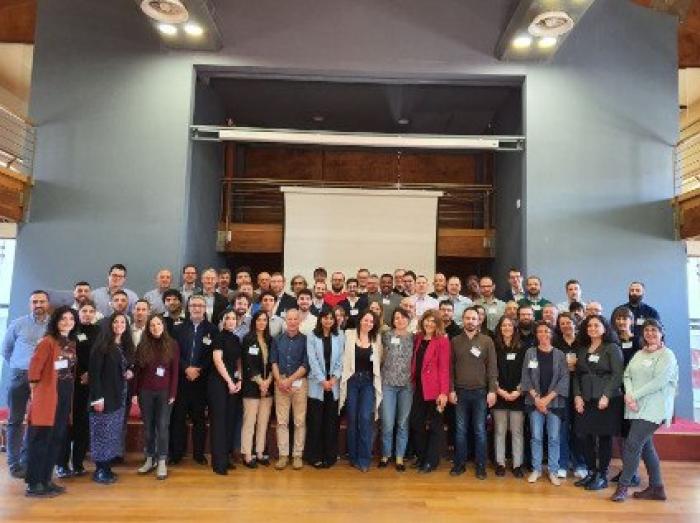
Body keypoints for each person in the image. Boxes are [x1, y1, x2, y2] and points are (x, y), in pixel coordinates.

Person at [611, 319, 678, 503]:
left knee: (632, 444)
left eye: (654, 330)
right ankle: (657, 489)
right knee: (646, 448)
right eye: (647, 330)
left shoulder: (667, 355)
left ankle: (623, 487)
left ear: (661, 332)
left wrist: (634, 395)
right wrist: (630, 394)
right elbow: (627, 374)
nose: (650, 333)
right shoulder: (640, 354)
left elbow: (660, 381)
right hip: (635, 407)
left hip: (654, 409)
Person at [24, 306, 77, 498]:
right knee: (40, 441)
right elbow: (33, 372)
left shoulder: (70, 343)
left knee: (55, 440)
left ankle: (46, 479)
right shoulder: (47, 341)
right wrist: (35, 395)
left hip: (63, 397)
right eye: (63, 318)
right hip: (47, 396)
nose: (68, 321)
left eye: (71, 318)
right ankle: (33, 483)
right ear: (56, 320)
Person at [573, 315, 624, 491]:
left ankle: (602, 475)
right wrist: (577, 396)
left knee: (603, 437)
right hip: (586, 398)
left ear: (604, 328)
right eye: (589, 325)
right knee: (585, 436)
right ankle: (591, 472)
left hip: (606, 399)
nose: (592, 328)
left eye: (597, 325)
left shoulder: (612, 348)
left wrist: (606, 395)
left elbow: (617, 375)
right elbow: (576, 375)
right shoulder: (582, 349)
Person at [3, 290, 50, 479]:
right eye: (34, 301)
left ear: (48, 303)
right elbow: (6, 350)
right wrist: (19, 365)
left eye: (42, 301)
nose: (38, 304)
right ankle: (13, 464)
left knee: (37, 420)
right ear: (30, 304)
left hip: (43, 379)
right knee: (15, 420)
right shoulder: (18, 324)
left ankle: (27, 459)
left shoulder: (54, 326)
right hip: (19, 376)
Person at [449, 307, 497, 479]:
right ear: (463, 320)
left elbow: (492, 368)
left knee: (479, 430)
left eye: (474, 318)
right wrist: (451, 389)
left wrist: (492, 391)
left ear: (479, 321)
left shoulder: (487, 341)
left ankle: (481, 466)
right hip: (460, 392)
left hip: (480, 393)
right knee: (460, 430)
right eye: (467, 318)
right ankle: (459, 464)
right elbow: (450, 368)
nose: (470, 321)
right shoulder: (454, 341)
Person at [521, 321, 569, 486]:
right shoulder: (530, 353)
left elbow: (564, 379)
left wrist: (547, 400)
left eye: (546, 331)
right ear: (536, 334)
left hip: (554, 404)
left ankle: (553, 471)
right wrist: (537, 399)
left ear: (551, 333)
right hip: (534, 402)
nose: (543, 334)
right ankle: (536, 469)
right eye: (540, 331)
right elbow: (526, 378)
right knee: (536, 437)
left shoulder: (560, 355)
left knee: (554, 437)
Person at [169, 295, 216, 465]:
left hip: (201, 382)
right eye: (194, 305)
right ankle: (176, 454)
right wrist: (185, 368)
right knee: (178, 418)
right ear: (188, 308)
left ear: (205, 309)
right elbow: (174, 353)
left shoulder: (212, 329)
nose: (197, 308)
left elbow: (213, 356)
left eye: (200, 305)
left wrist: (199, 369)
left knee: (199, 420)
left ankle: (198, 454)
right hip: (181, 381)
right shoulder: (178, 329)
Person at [89, 312, 135, 484]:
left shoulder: (126, 345)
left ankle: (107, 467)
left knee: (112, 433)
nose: (119, 324)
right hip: (104, 397)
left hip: (120, 396)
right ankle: (100, 470)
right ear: (110, 324)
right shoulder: (102, 345)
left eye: (123, 322)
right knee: (101, 433)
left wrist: (131, 370)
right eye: (116, 321)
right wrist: (97, 399)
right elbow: (94, 375)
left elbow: (129, 365)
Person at [56, 301, 99, 478]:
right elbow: (67, 358)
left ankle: (78, 463)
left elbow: (100, 356)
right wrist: (80, 372)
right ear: (78, 313)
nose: (87, 314)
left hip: (89, 384)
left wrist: (91, 374)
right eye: (84, 311)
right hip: (70, 384)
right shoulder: (72, 332)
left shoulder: (99, 331)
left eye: (91, 311)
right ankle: (61, 464)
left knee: (82, 424)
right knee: (65, 424)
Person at [134, 315, 179, 480]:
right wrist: (135, 393)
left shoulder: (172, 345)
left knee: (162, 427)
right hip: (145, 392)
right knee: (148, 428)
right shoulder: (142, 345)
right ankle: (149, 458)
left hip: (165, 393)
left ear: (163, 326)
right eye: (152, 325)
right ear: (148, 328)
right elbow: (138, 372)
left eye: (158, 324)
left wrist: (173, 393)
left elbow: (175, 373)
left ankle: (161, 461)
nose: (155, 327)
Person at [339, 310, 383, 472]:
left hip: (367, 383)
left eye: (372, 322)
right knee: (352, 419)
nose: (368, 324)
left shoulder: (376, 339)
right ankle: (353, 456)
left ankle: (364, 459)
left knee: (365, 418)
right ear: (360, 321)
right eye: (366, 320)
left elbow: (380, 361)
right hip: (352, 381)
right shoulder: (349, 335)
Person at [410, 310, 450, 474]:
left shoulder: (442, 341)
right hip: (418, 388)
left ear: (438, 324)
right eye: (427, 320)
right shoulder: (418, 338)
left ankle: (431, 461)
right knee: (416, 423)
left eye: (433, 321)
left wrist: (443, 393)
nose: (429, 324)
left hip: (434, 390)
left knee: (435, 426)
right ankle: (421, 456)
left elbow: (444, 368)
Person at [305, 308, 344, 468]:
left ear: (335, 321)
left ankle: (330, 456)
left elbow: (341, 358)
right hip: (317, 385)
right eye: (325, 318)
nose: (328, 321)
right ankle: (314, 456)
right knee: (316, 422)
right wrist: (323, 380)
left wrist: (334, 378)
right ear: (320, 319)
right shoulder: (312, 336)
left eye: (331, 318)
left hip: (333, 386)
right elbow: (312, 359)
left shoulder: (339, 336)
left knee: (330, 422)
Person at [271, 308, 309, 470]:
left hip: (299, 384)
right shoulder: (277, 339)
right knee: (282, 421)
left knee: (299, 422)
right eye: (289, 319)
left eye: (295, 319)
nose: (292, 322)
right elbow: (273, 362)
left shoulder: (307, 340)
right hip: (280, 384)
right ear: (285, 321)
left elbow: (305, 365)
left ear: (299, 321)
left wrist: (290, 380)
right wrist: (280, 380)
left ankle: (297, 455)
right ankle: (283, 455)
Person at [379, 307, 414, 471]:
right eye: (396, 318)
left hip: (407, 386)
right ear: (392, 321)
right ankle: (386, 454)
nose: (400, 320)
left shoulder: (414, 338)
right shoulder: (386, 336)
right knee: (387, 422)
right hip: (388, 384)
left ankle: (399, 456)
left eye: (403, 317)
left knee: (402, 423)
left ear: (408, 319)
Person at [610, 306, 642, 485]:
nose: (622, 322)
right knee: (621, 435)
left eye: (625, 318)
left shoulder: (638, 342)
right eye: (619, 319)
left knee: (632, 436)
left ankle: (633, 473)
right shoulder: (613, 342)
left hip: (633, 394)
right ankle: (626, 469)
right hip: (617, 394)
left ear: (631, 320)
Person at [553, 312, 587, 480]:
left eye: (569, 323)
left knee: (580, 429)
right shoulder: (556, 344)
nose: (566, 326)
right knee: (563, 428)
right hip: (561, 391)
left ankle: (580, 463)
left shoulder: (583, 343)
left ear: (575, 324)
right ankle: (562, 464)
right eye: (562, 323)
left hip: (581, 391)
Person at [207, 311, 242, 475]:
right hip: (219, 383)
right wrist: (229, 381)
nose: (231, 321)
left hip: (233, 384)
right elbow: (218, 360)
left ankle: (226, 459)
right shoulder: (218, 337)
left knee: (230, 421)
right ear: (222, 321)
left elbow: (238, 361)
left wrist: (240, 379)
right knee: (219, 422)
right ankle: (218, 463)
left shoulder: (235, 339)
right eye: (227, 318)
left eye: (233, 318)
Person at [492, 316, 526, 477]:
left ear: (514, 328)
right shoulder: (494, 347)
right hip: (499, 394)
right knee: (500, 431)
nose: (506, 328)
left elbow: (526, 373)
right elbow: (491, 371)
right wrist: (500, 391)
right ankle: (500, 463)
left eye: (509, 325)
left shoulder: (523, 348)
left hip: (518, 395)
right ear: (499, 328)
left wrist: (518, 391)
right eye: (503, 325)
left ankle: (517, 464)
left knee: (517, 431)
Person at [240, 311, 274, 468]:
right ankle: (247, 454)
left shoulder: (270, 339)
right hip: (252, 387)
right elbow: (248, 365)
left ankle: (260, 453)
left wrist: (268, 382)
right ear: (254, 322)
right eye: (259, 320)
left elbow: (274, 362)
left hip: (268, 387)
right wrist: (261, 382)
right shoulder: (248, 339)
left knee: (263, 422)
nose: (262, 323)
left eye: (264, 320)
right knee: (250, 422)